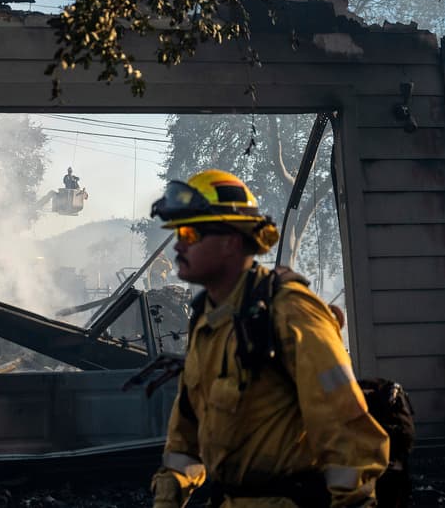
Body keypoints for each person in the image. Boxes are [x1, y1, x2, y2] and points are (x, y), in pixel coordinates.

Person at [148, 169, 389, 507]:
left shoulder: (290, 312)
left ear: (231, 241)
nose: (178, 244)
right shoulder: (207, 320)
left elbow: (347, 432)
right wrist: (167, 497)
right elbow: (184, 439)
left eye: (189, 232)